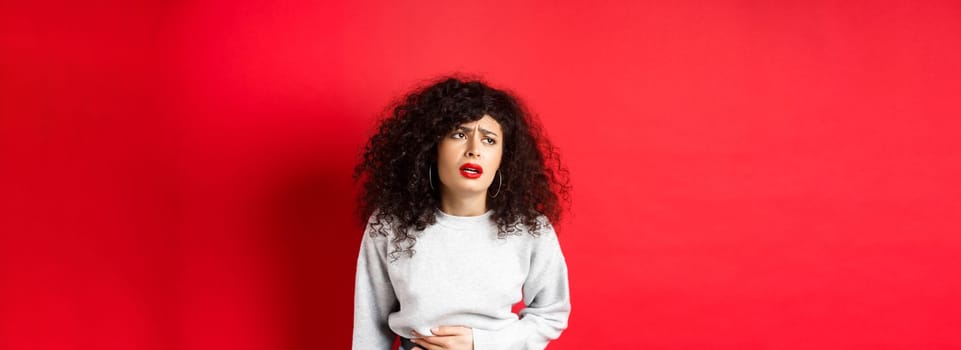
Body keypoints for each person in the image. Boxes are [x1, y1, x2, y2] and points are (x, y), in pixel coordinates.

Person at [352, 76, 571, 350]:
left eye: (489, 140)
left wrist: (482, 344)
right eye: (459, 134)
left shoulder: (530, 229)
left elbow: (551, 313)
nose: (474, 151)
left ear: (504, 157)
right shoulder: (389, 225)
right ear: (433, 148)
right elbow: (369, 327)